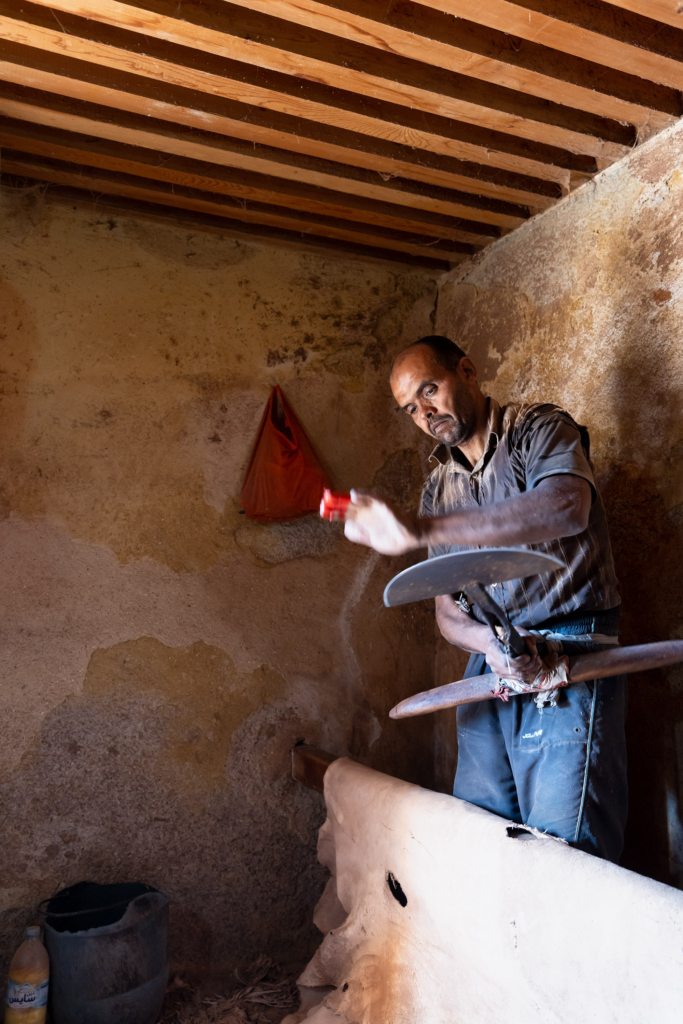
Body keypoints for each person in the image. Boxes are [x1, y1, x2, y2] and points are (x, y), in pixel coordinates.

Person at [344, 335, 627, 862]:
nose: (425, 413)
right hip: (490, 668)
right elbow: (447, 613)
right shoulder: (438, 488)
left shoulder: (539, 429)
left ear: (468, 372)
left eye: (430, 390)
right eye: (411, 408)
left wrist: (420, 529)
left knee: (566, 854)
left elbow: (566, 506)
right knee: (483, 839)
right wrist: (490, 647)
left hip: (570, 657)